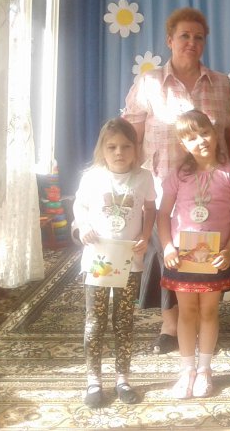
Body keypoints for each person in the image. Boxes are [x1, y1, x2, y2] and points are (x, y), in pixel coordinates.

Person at [123, 7, 230, 355]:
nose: (191, 42)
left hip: (210, 192)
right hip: (163, 188)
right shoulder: (149, 83)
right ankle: (170, 325)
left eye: (198, 37)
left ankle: (205, 321)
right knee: (168, 254)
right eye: (184, 35)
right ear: (170, 40)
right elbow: (131, 133)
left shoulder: (220, 83)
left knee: (205, 252)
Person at [157, 110, 230, 399]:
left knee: (208, 312)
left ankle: (205, 369)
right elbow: (162, 214)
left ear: (215, 133)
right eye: (192, 138)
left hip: (216, 257)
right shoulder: (178, 175)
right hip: (182, 257)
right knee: (187, 313)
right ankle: (187, 370)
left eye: (205, 133)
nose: (201, 141)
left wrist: (229, 250)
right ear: (183, 145)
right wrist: (167, 246)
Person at [72, 118, 156, 408]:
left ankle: (122, 378)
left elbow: (150, 208)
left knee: (123, 319)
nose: (119, 152)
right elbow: (80, 205)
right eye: (112, 147)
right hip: (98, 258)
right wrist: (83, 226)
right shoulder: (92, 177)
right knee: (95, 320)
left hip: (129, 261)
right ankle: (93, 380)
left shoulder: (144, 178)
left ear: (135, 149)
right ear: (102, 149)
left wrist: (146, 235)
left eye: (126, 146)